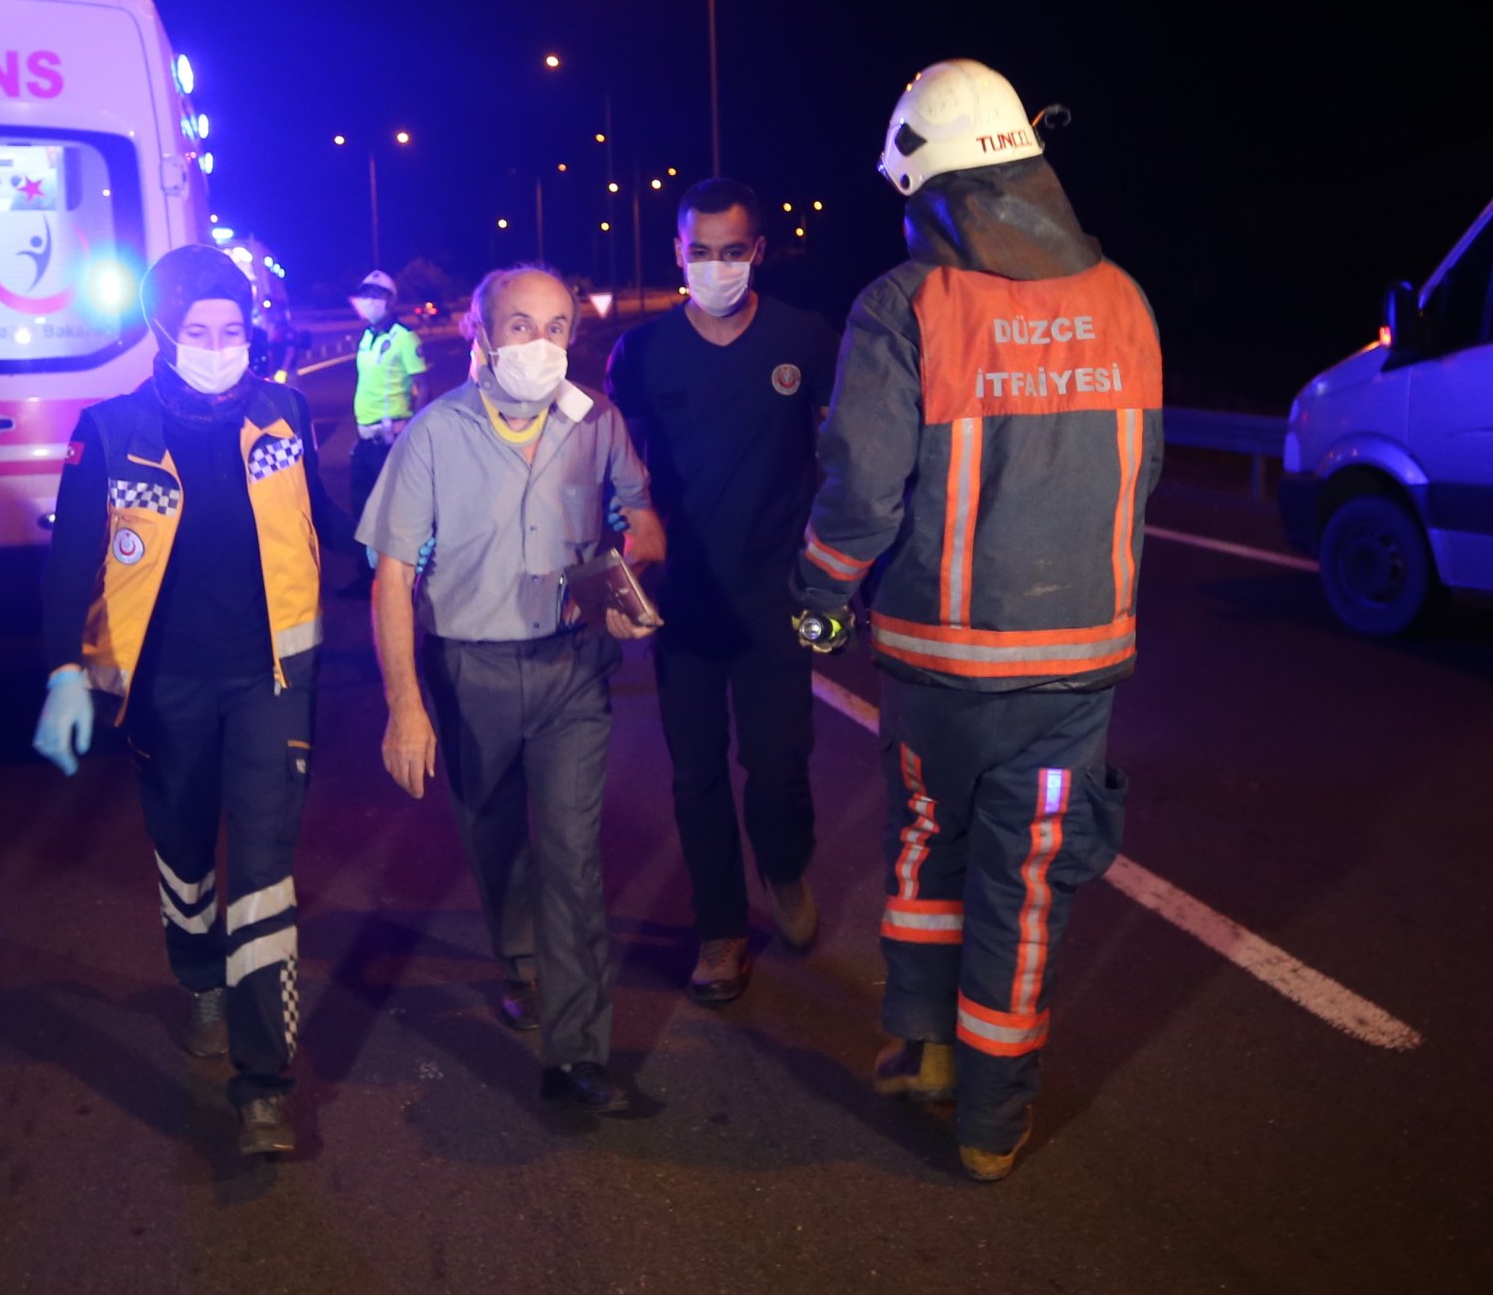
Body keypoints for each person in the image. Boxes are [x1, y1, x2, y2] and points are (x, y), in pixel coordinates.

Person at [792, 60, 1163, 1180]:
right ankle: (994, 1125)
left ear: (926, 184)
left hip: (940, 663)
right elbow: (1141, 475)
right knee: (1026, 883)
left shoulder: (903, 305)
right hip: (1078, 667)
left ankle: (925, 1049)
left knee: (928, 841)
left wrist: (821, 597)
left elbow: (863, 490)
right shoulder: (1124, 297)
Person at [33, 244, 347, 1158]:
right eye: (200, 331)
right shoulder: (109, 430)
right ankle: (200, 976)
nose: (220, 346)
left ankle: (264, 1085)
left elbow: (322, 520)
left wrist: (397, 547)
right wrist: (63, 671)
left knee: (263, 871)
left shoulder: (283, 412)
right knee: (182, 848)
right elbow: (71, 561)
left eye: (233, 329)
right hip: (164, 687)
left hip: (271, 680)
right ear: (163, 333)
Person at [359, 265, 665, 1113]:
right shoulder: (434, 435)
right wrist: (405, 706)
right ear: (481, 333)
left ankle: (579, 1056)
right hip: (470, 673)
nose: (541, 343)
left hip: (573, 671)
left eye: (558, 326)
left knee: (573, 859)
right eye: (522, 325)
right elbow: (391, 578)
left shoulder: (596, 422)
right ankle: (521, 962)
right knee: (495, 841)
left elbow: (642, 521)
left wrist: (627, 582)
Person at [607, 180, 838, 1005]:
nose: (715, 266)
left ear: (758, 252)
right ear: (677, 253)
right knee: (695, 772)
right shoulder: (640, 354)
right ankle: (720, 931)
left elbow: (847, 454)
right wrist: (620, 560)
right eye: (700, 251)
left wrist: (841, 565)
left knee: (777, 763)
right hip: (686, 602)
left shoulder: (805, 339)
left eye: (732, 251)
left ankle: (784, 864)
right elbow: (616, 469)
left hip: (778, 596)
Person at [343, 270, 433, 593]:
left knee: (391, 512)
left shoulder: (404, 338)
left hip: (390, 440)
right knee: (361, 509)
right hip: (365, 439)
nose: (369, 301)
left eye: (377, 295)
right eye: (365, 294)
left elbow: (423, 386)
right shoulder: (367, 336)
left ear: (391, 301)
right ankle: (366, 576)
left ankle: (396, 579)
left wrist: (414, 431)